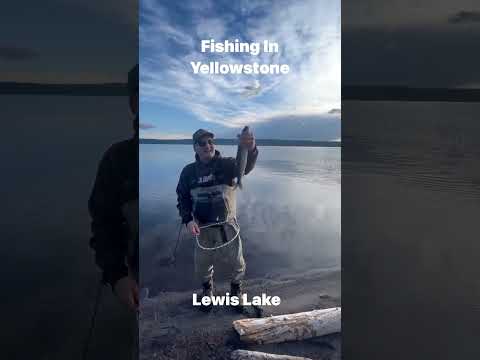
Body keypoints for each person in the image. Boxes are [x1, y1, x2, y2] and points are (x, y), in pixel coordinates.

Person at [176, 128, 258, 312]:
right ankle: (207, 289)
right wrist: (188, 220)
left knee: (237, 262)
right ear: (195, 148)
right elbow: (182, 198)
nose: (207, 146)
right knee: (202, 264)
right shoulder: (188, 172)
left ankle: (236, 290)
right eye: (202, 143)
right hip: (202, 227)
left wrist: (250, 148)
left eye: (210, 142)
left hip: (228, 225)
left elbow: (246, 167)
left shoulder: (227, 165)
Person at [88, 64, 139, 311]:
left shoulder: (191, 155)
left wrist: (249, 152)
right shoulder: (117, 158)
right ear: (133, 104)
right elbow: (103, 223)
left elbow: (227, 173)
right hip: (136, 276)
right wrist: (117, 275)